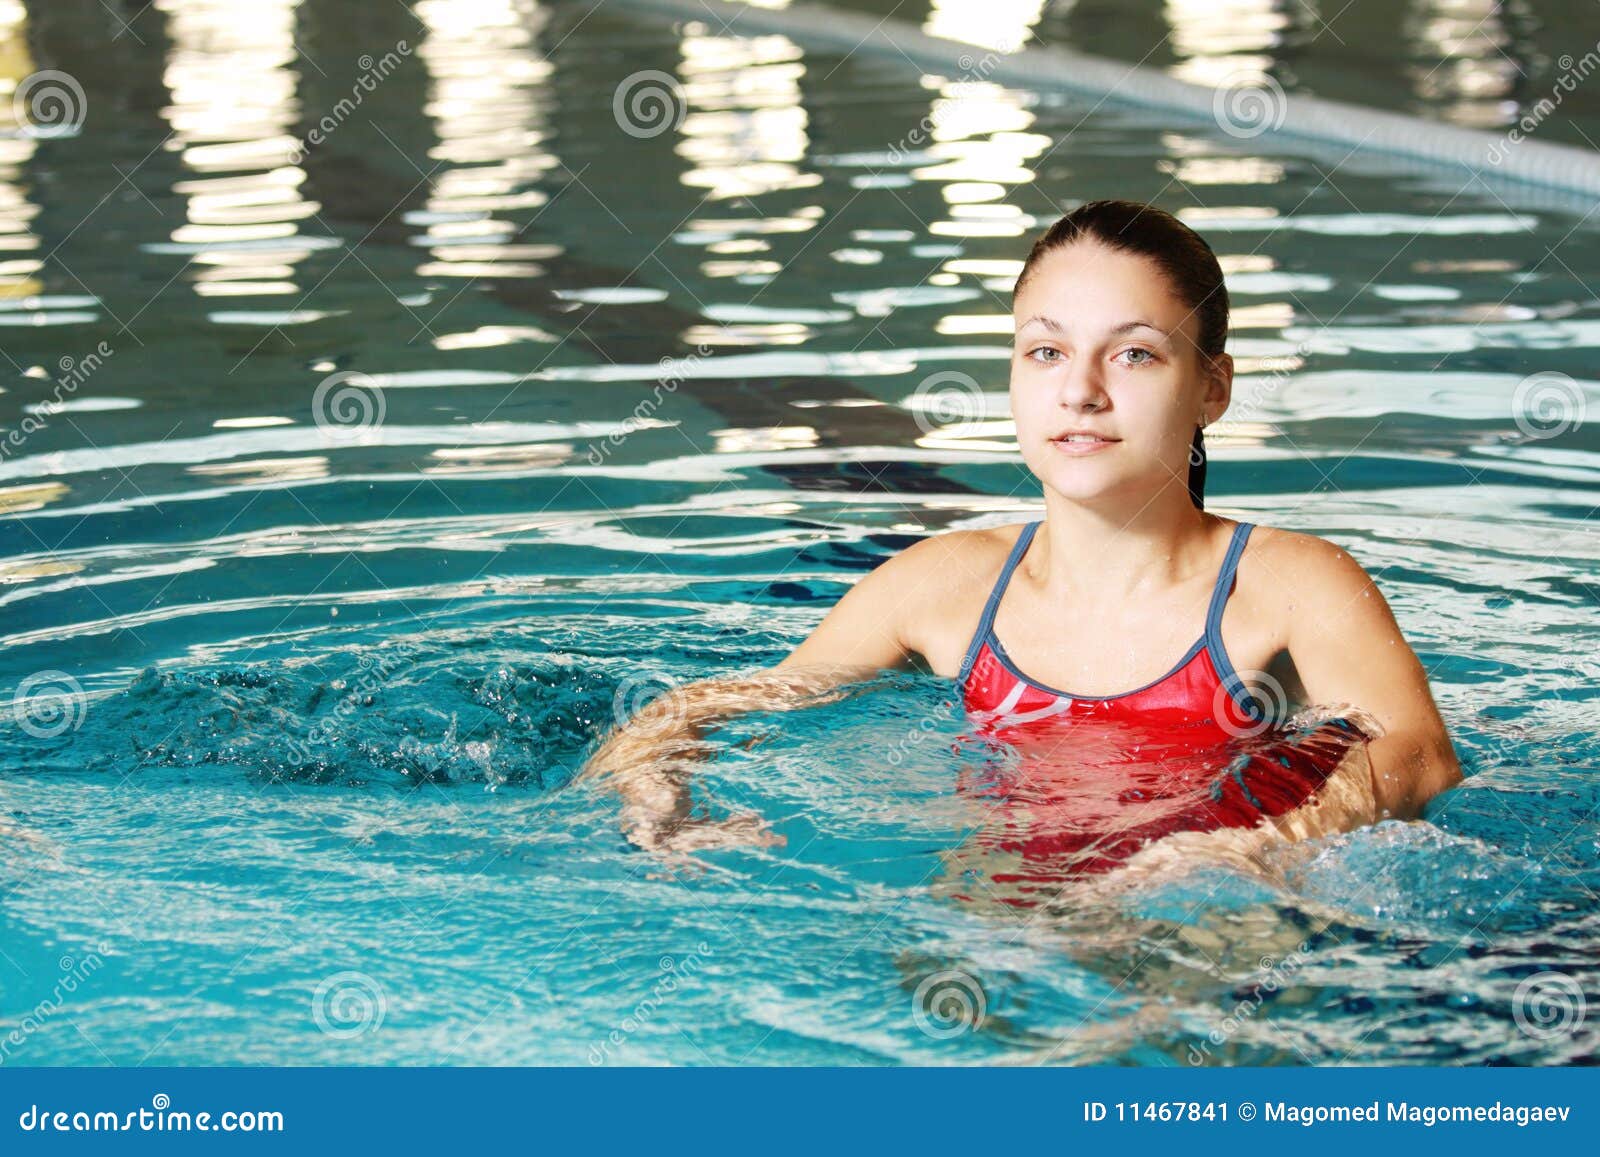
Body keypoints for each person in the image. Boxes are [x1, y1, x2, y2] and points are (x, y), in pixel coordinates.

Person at [579, 199, 1462, 861]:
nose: (1080, 389)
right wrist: (661, 809)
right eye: (1046, 350)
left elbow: (1419, 755)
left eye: (1135, 353)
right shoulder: (943, 586)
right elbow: (705, 708)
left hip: (1217, 927)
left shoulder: (1287, 585)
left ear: (1212, 388)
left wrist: (1244, 851)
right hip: (992, 912)